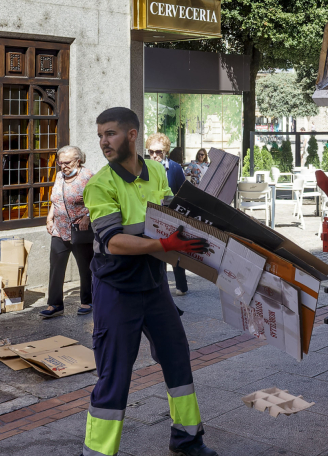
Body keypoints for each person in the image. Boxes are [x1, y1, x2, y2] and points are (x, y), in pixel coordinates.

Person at [82, 107, 217, 456]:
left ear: (131, 135)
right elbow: (112, 241)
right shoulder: (100, 184)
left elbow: (172, 217)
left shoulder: (157, 171)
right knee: (114, 375)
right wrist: (164, 244)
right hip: (116, 290)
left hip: (154, 286)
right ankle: (97, 453)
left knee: (177, 358)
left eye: (109, 134)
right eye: (99, 136)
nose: (103, 142)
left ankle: (187, 438)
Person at [41, 146, 95, 318]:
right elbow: (55, 200)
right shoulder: (59, 176)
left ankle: (88, 301)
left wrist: (87, 216)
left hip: (80, 229)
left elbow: (98, 201)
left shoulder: (88, 177)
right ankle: (55, 304)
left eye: (67, 162)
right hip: (60, 228)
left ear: (78, 160)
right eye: (60, 162)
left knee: (85, 267)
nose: (63, 166)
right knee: (56, 267)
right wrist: (50, 219)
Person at [147, 134, 189, 296]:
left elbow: (182, 191)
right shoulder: (145, 167)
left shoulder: (175, 168)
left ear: (166, 151)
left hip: (172, 214)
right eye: (151, 152)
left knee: (175, 249)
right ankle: (160, 285)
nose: (154, 156)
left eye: (158, 152)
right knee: (157, 250)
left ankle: (181, 285)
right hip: (153, 215)